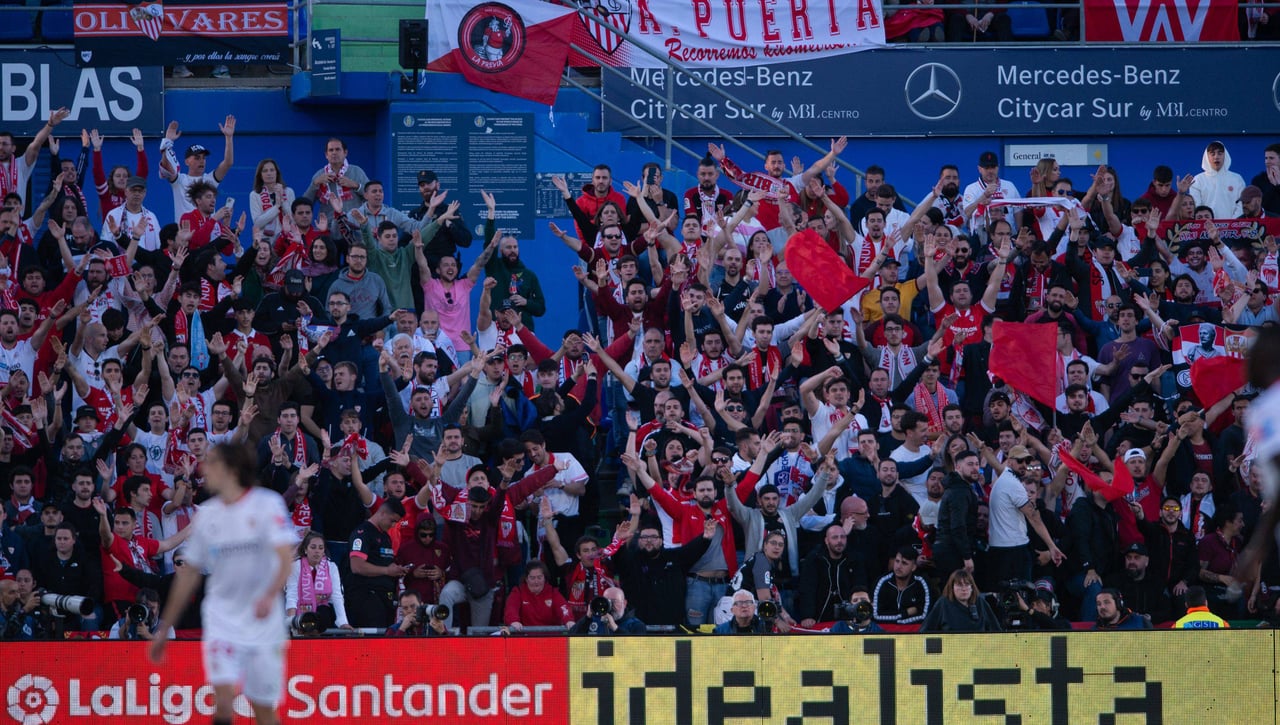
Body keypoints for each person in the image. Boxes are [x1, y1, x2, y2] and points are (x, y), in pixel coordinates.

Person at [149, 442, 296, 725]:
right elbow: (189, 574)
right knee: (224, 703)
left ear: (230, 469)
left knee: (264, 709)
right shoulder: (207, 515)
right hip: (222, 617)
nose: (204, 468)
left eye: (211, 462)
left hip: (262, 621)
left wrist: (269, 594)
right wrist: (164, 626)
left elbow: (284, 558)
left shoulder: (267, 504)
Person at [345, 500, 406, 629]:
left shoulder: (386, 537)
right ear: (382, 513)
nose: (393, 525)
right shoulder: (362, 533)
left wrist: (396, 570)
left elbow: (385, 563)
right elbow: (357, 566)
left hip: (385, 595)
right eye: (392, 520)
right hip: (366, 595)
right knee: (373, 637)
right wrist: (387, 571)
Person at [284, 531, 351, 632]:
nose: (317, 551)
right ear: (306, 550)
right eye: (313, 547)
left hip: (321, 613)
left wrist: (343, 622)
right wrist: (291, 621)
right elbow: (292, 595)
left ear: (324, 551)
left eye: (320, 548)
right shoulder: (296, 566)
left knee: (323, 614)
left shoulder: (331, 567)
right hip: (299, 611)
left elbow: (337, 596)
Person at [918, 569, 1001, 632]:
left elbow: (995, 630)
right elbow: (925, 631)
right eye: (959, 585)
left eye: (967, 584)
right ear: (952, 587)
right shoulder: (943, 603)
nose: (964, 589)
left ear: (972, 587)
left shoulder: (980, 602)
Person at [503, 561, 575, 631]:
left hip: (550, 639)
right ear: (526, 579)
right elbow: (511, 608)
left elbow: (563, 607)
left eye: (539, 577)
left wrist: (568, 620)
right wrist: (514, 621)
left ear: (544, 578)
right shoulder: (518, 591)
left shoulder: (553, 592)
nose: (536, 581)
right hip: (526, 637)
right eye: (532, 578)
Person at [871, 546, 931, 625]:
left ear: (913, 567)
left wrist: (901, 622)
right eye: (897, 561)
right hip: (885, 630)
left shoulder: (921, 583)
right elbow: (876, 615)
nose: (898, 566)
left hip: (913, 631)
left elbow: (925, 615)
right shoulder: (882, 582)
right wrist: (905, 613)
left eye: (904, 563)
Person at [570, 586, 646, 635]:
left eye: (614, 601)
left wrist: (616, 629)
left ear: (624, 603)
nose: (610, 605)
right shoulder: (595, 620)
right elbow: (571, 636)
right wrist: (587, 617)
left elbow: (637, 648)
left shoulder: (636, 625)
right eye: (607, 601)